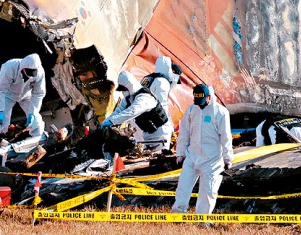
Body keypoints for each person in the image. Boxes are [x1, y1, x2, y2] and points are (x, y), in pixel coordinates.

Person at [172, 84, 233, 216]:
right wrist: (180, 154)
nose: (199, 104)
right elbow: (184, 133)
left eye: (201, 101)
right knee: (182, 187)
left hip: (212, 160)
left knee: (208, 191)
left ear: (209, 97)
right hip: (192, 157)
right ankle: (177, 214)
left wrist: (228, 158)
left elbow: (226, 137)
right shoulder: (191, 110)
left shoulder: (220, 112)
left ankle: (203, 219)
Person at [100, 70, 171, 153]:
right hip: (147, 132)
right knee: (147, 156)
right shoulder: (128, 99)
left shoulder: (145, 97)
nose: (123, 92)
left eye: (124, 89)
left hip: (160, 133)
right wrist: (104, 123)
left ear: (130, 86)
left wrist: (112, 121)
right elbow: (118, 111)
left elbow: (132, 111)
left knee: (158, 158)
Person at [0, 53, 46, 140]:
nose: (30, 75)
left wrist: (33, 112)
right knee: (0, 123)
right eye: (28, 72)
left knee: (36, 122)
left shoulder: (40, 73)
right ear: (23, 68)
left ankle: (37, 140)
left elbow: (39, 93)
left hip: (26, 96)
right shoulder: (9, 67)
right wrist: (0, 110)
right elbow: (0, 90)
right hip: (8, 95)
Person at [140, 56, 177, 151]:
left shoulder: (146, 80)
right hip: (160, 128)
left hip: (146, 126)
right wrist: (170, 126)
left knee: (148, 154)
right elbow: (162, 106)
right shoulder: (162, 82)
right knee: (159, 157)